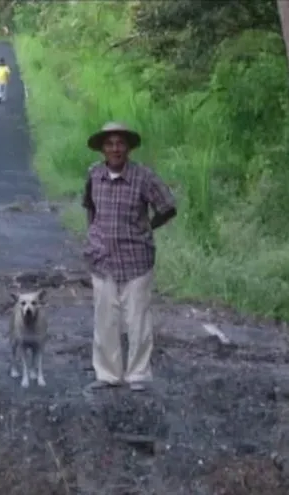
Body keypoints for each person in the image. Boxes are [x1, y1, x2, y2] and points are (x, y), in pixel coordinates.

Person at [80, 122, 177, 392]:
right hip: (102, 259)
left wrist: (148, 227)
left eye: (120, 143)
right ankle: (108, 374)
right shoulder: (94, 175)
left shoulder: (143, 177)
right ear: (102, 149)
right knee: (105, 320)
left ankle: (138, 375)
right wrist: (94, 238)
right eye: (109, 144)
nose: (115, 149)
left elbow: (168, 206)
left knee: (138, 320)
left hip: (137, 259)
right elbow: (90, 208)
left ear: (128, 148)